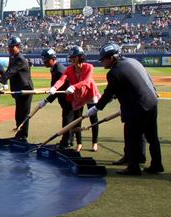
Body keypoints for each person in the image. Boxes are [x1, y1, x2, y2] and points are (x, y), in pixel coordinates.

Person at [87, 43, 163, 175]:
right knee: (152, 137)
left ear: (112, 57)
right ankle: (156, 165)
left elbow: (108, 94)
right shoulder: (133, 61)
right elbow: (148, 77)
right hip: (151, 102)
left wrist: (96, 108)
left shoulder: (114, 73)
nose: (102, 62)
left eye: (104, 59)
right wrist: (154, 91)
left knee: (132, 137)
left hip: (138, 107)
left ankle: (133, 167)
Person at [48, 46, 101, 152]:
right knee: (78, 120)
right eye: (71, 57)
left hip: (90, 94)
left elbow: (86, 81)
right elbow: (62, 80)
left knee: (93, 119)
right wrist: (54, 87)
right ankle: (79, 143)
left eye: (74, 57)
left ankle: (94, 142)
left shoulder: (89, 67)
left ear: (80, 57)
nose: (72, 59)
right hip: (78, 96)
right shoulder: (69, 69)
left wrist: (73, 86)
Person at [0, 36, 34, 140]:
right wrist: (3, 82)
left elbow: (11, 71)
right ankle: (19, 134)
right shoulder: (12, 57)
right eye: (9, 47)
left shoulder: (20, 59)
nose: (9, 49)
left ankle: (23, 136)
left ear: (18, 47)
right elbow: (9, 69)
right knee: (18, 114)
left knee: (24, 114)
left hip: (26, 89)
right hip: (18, 90)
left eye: (11, 47)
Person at [38, 48, 74, 149]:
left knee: (67, 119)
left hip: (68, 99)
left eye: (45, 59)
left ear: (52, 59)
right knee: (67, 119)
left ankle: (66, 142)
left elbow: (58, 89)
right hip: (64, 99)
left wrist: (46, 100)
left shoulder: (59, 69)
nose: (44, 61)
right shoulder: (54, 68)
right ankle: (68, 140)